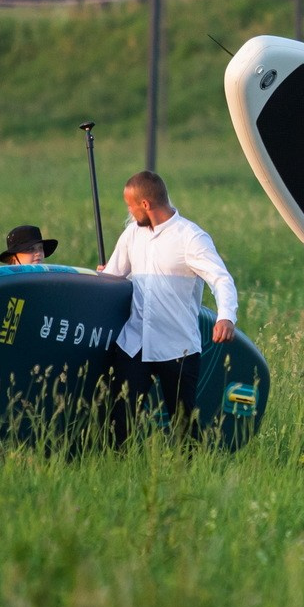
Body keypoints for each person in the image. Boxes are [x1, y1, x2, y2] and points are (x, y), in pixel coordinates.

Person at [100, 171, 239, 444]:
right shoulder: (131, 235)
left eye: (130, 205)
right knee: (121, 416)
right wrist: (102, 276)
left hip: (178, 346)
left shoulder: (191, 238)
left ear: (146, 205)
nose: (128, 211)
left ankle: (186, 472)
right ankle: (116, 464)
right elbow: (114, 275)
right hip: (135, 343)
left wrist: (226, 317)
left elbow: (221, 279)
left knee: (182, 420)